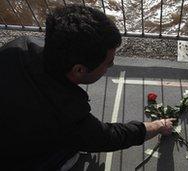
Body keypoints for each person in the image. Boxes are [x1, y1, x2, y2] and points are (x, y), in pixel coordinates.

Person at [0, 5, 175, 170]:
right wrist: (157, 125)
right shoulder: (66, 114)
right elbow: (108, 137)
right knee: (67, 155)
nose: (112, 65)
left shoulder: (17, 47)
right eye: (108, 63)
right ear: (78, 70)